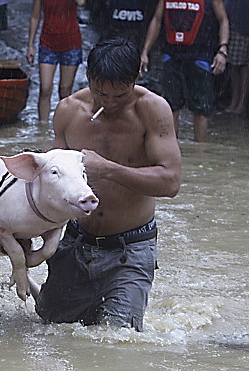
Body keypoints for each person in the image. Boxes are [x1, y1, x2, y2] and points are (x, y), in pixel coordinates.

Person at [33, 37, 182, 331]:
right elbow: (51, 183)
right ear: (88, 77)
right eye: (102, 94)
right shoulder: (68, 110)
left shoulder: (153, 110)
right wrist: (35, 235)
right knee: (48, 326)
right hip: (77, 240)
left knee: (116, 340)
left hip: (130, 248)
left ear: (137, 77)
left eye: (120, 95)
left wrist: (109, 169)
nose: (110, 103)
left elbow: (171, 181)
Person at [140, 0, 229, 142]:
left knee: (201, 109)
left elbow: (223, 20)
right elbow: (157, 20)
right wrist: (145, 52)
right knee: (171, 106)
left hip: (200, 54)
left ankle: (201, 154)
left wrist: (222, 49)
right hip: (172, 54)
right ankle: (172, 150)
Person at [27, 0, 85, 124]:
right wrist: (30, 45)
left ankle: (63, 127)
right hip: (47, 43)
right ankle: (42, 129)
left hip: (71, 43)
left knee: (65, 90)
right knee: (45, 88)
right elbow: (35, 17)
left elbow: (81, 3)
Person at [221, 0, 249, 116]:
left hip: (243, 20)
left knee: (242, 63)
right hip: (232, 18)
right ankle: (234, 101)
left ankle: (241, 104)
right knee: (232, 63)